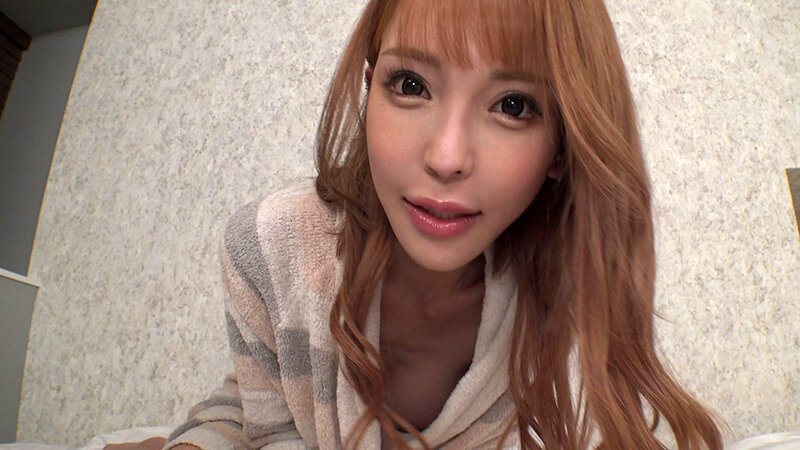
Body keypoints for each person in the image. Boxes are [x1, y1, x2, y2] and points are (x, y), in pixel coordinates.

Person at [113, 0, 724, 448]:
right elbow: (269, 425)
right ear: (368, 90)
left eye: (513, 105)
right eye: (410, 85)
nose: (447, 157)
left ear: (562, 146)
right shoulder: (270, 246)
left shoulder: (559, 296)